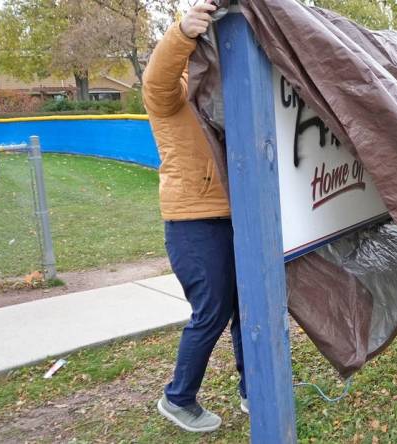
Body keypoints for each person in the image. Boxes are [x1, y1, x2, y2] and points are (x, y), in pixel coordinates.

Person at [142, 0, 247, 433]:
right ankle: (178, 397)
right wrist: (183, 31)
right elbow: (156, 78)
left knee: (246, 308)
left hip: (235, 216)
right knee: (213, 310)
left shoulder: (220, 90)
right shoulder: (172, 95)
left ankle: (254, 389)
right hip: (193, 222)